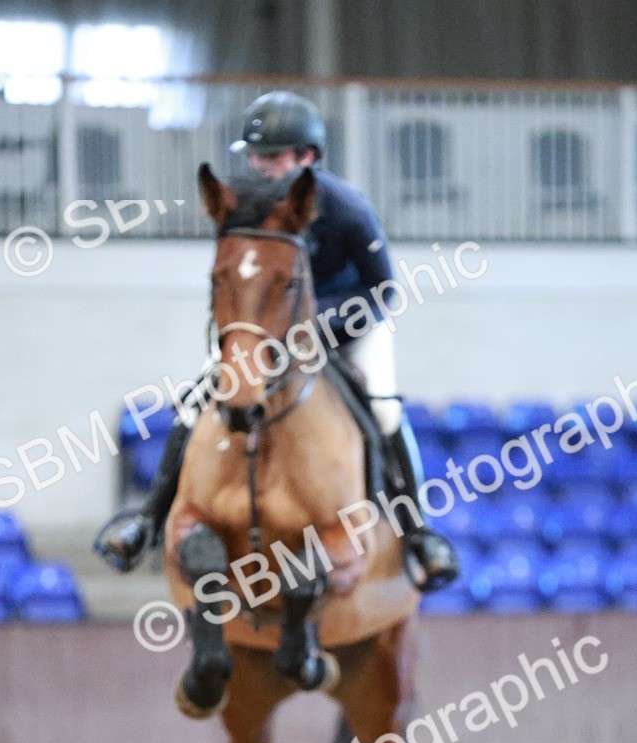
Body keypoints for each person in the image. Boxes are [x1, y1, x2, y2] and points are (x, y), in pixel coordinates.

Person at [95, 91, 458, 592]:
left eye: (271, 156)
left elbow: (383, 289)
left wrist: (318, 326)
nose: (259, 166)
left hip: (347, 324)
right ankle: (149, 520)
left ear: (307, 157)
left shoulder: (347, 209)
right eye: (254, 155)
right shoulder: (243, 205)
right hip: (265, 329)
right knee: (196, 401)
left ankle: (419, 534)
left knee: (383, 409)